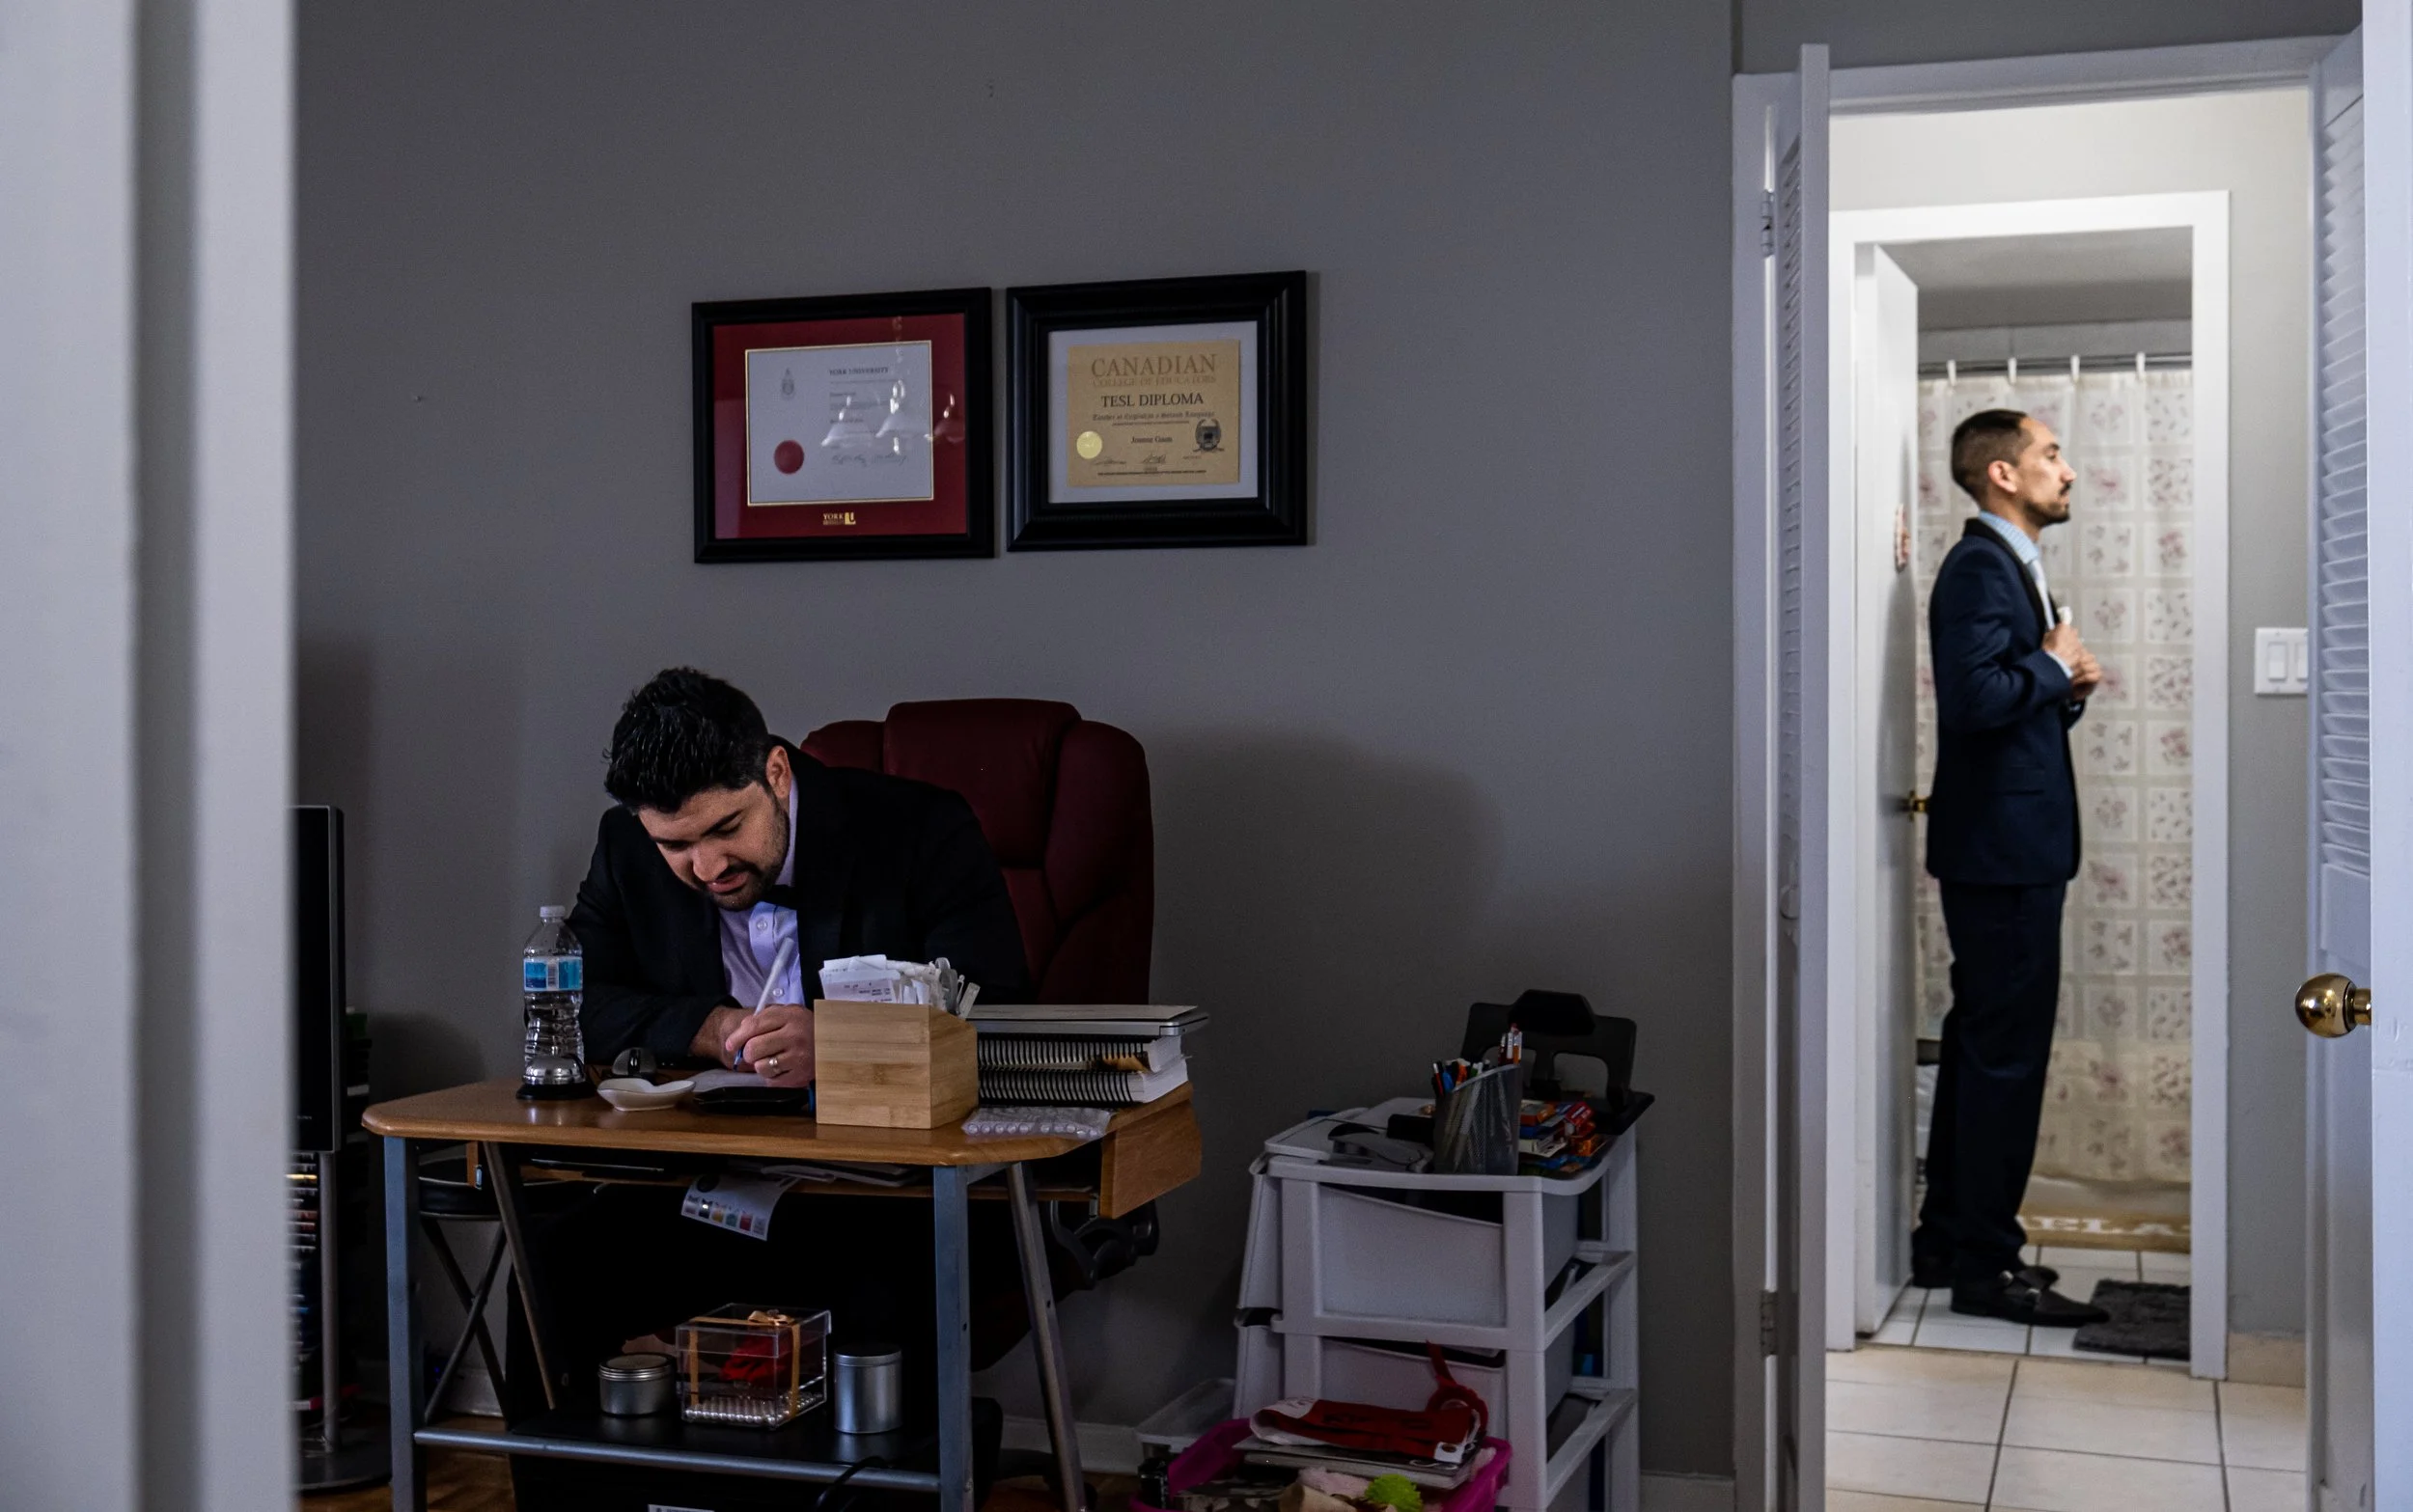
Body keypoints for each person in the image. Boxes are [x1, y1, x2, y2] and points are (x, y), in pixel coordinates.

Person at [502, 670, 1034, 1498]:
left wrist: (845, 1039)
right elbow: (579, 1002)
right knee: (557, 1259)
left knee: (861, 1286)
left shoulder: (919, 829)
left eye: (726, 829)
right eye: (675, 845)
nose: (706, 865)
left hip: (889, 1195)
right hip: (710, 1178)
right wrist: (710, 1026)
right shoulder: (625, 847)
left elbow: (999, 1005)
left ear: (776, 774)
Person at [1911, 409, 2110, 1328]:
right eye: (2050, 455)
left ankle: (1949, 1238)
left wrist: (2059, 688)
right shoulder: (1980, 567)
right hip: (2002, 856)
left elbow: (2010, 707)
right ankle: (1986, 1266)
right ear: (2001, 473)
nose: (2066, 472)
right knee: (2006, 1059)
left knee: (1982, 1049)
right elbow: (1977, 698)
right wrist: (2049, 663)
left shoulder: (2008, 568)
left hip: (2005, 849)